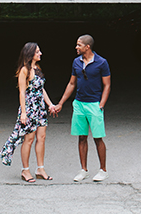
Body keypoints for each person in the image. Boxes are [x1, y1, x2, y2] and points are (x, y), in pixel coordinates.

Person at [52, 34, 111, 182]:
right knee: (82, 137)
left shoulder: (101, 62)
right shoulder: (76, 62)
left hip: (94, 104)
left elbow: (107, 85)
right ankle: (83, 170)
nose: (76, 47)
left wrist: (101, 104)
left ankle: (103, 170)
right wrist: (61, 103)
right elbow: (72, 83)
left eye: (79, 45)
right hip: (79, 104)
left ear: (87, 47)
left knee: (98, 138)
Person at [0, 42, 56, 182]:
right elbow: (22, 93)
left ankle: (40, 168)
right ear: (30, 54)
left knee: (41, 138)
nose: (40, 54)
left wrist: (50, 104)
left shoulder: (37, 68)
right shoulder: (24, 70)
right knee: (28, 140)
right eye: (37, 52)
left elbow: (41, 89)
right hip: (30, 109)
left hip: (40, 108)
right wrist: (23, 112)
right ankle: (25, 170)